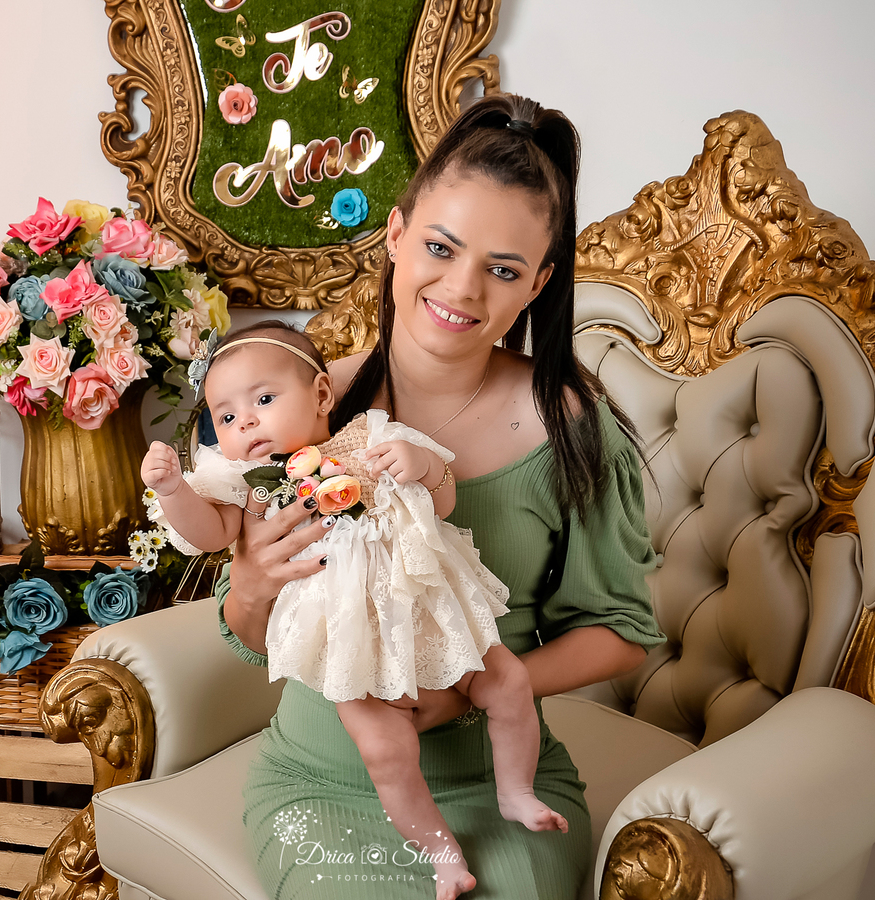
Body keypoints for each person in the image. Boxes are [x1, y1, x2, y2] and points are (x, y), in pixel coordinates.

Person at [219, 92, 666, 900]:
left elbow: (622, 633)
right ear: (396, 235)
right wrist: (249, 585)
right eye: (440, 247)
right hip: (321, 778)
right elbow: (255, 641)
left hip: (496, 780)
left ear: (538, 284)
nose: (462, 289)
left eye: (503, 269)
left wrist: (471, 689)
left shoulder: (570, 426)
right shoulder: (303, 409)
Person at [142, 323, 570, 896]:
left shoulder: (372, 436)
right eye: (226, 416)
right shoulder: (251, 486)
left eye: (263, 400)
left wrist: (422, 464)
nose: (245, 422)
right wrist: (174, 491)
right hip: (351, 648)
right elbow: (211, 533)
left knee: (509, 681)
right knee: (385, 750)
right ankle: (442, 854)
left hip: (434, 618)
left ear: (321, 394)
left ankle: (516, 791)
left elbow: (443, 499)